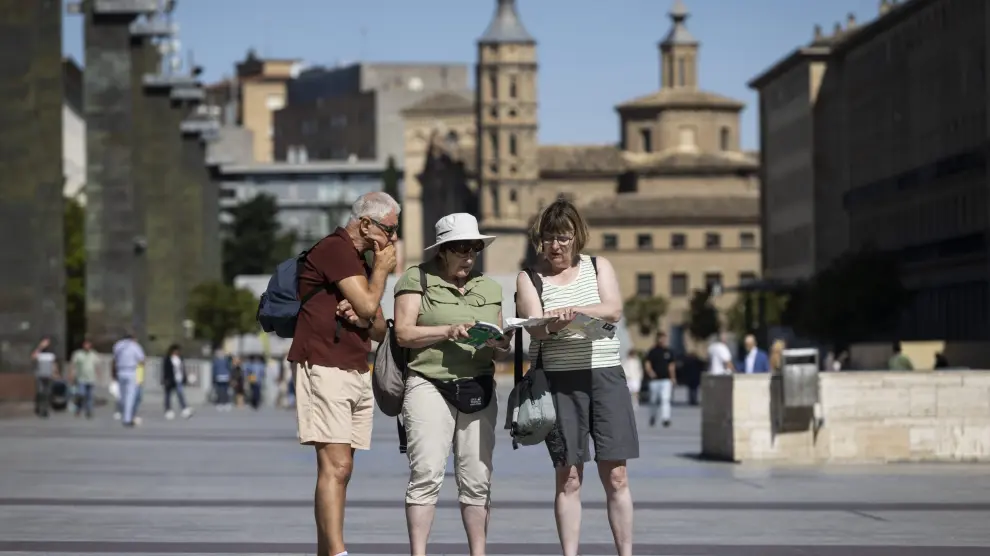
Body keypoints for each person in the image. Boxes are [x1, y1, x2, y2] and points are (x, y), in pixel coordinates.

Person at [516, 198, 638, 556]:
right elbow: (535, 328)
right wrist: (554, 321)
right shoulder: (530, 277)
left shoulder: (600, 267)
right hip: (560, 381)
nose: (557, 246)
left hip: (605, 377)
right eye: (550, 238)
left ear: (577, 237)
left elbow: (613, 309)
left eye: (564, 238)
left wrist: (575, 311)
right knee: (569, 476)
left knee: (617, 475)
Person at [287, 191, 398, 556]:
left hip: (354, 368)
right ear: (365, 223)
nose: (392, 240)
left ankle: (326, 551)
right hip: (324, 363)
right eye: (389, 230)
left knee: (343, 469)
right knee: (336, 465)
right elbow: (369, 304)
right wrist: (379, 275)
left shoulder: (359, 262)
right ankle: (337, 553)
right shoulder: (335, 249)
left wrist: (364, 312)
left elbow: (380, 328)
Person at [393, 213, 509, 556]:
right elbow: (403, 333)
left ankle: (479, 552)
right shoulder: (417, 278)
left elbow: (501, 348)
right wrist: (447, 331)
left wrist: (500, 343)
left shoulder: (489, 287)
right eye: (462, 248)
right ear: (442, 250)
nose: (470, 255)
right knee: (427, 472)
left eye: (475, 247)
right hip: (428, 382)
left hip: (479, 385)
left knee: (477, 478)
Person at [111, 331, 145, 428]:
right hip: (131, 371)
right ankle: (127, 419)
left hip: (120, 371)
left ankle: (123, 413)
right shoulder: (135, 346)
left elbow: (114, 359)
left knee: (122, 396)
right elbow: (142, 359)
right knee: (130, 396)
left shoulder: (118, 345)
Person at [644, 332, 676, 428]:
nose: (663, 341)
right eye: (661, 338)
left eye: (664, 339)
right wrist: (650, 372)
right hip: (655, 380)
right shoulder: (652, 351)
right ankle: (653, 416)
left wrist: (673, 378)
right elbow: (647, 364)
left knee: (665, 399)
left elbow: (671, 366)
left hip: (666, 380)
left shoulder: (669, 352)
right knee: (653, 400)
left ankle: (666, 418)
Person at [162, 344, 193, 419]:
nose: (177, 352)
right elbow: (165, 370)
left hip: (178, 379)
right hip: (170, 379)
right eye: (175, 350)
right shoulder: (167, 359)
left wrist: (185, 378)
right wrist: (165, 379)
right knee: (168, 396)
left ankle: (184, 409)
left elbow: (182, 369)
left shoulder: (180, 359)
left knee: (180, 394)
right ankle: (168, 410)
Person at [31, 336, 60, 418]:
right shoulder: (39, 353)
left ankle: (45, 410)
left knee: (47, 393)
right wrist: (40, 347)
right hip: (40, 375)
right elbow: (33, 357)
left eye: (47, 342)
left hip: (48, 376)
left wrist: (56, 373)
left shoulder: (51, 353)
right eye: (44, 342)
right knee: (40, 392)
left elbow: (54, 364)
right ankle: (39, 408)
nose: (46, 344)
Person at [70, 338, 98, 419]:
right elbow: (73, 365)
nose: (87, 346)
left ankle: (89, 411)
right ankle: (78, 408)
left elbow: (96, 366)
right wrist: (71, 374)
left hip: (91, 378)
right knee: (81, 394)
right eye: (86, 344)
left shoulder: (93, 354)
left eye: (88, 344)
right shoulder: (78, 354)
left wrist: (98, 375)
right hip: (81, 378)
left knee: (90, 396)